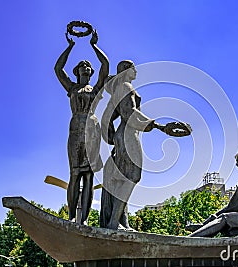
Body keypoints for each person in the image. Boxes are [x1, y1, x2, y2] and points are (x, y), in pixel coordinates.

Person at [100, 60, 166, 230]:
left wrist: (112, 137)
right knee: (132, 177)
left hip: (123, 135)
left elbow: (107, 118)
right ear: (125, 71)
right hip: (128, 135)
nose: (136, 70)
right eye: (132, 68)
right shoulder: (126, 87)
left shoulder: (119, 90)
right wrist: (157, 125)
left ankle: (121, 221)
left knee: (124, 179)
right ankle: (114, 222)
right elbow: (130, 113)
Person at [54, 30, 109, 224]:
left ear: (90, 72)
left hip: (92, 129)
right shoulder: (72, 88)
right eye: (82, 65)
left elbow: (105, 65)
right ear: (77, 72)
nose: (86, 67)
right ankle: (71, 218)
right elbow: (58, 69)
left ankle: (84, 219)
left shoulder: (96, 89)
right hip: (76, 128)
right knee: (75, 173)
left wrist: (94, 45)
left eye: (88, 66)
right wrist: (70, 47)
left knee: (89, 175)